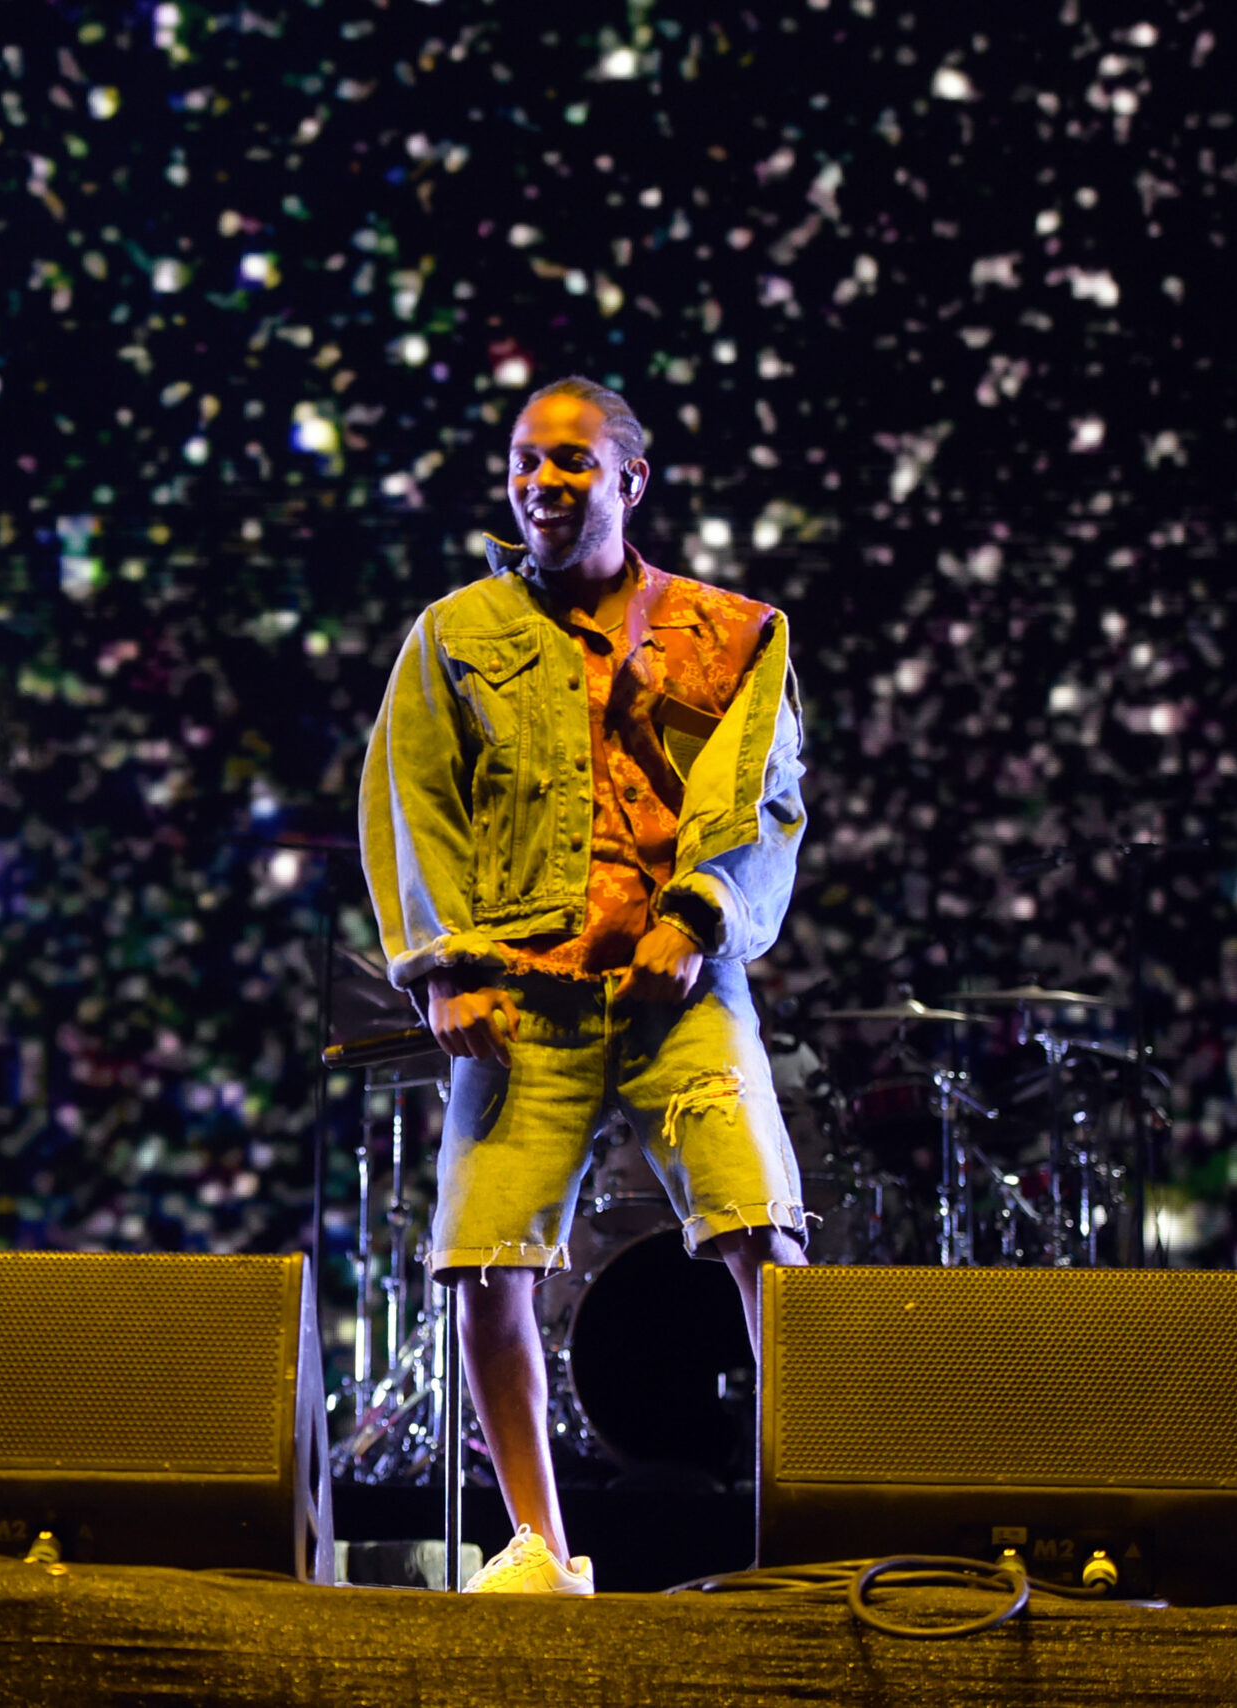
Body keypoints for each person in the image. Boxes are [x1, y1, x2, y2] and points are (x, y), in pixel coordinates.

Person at [359, 377, 809, 1594]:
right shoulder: (456, 635)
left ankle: (816, 1526)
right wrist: (439, 967)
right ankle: (540, 1552)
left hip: (678, 993)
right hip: (523, 998)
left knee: (761, 1226)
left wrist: (698, 914)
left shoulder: (732, 631)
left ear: (628, 480)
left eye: (569, 462)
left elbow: (762, 795)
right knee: (480, 1253)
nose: (542, 483)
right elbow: (413, 801)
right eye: (523, 460)